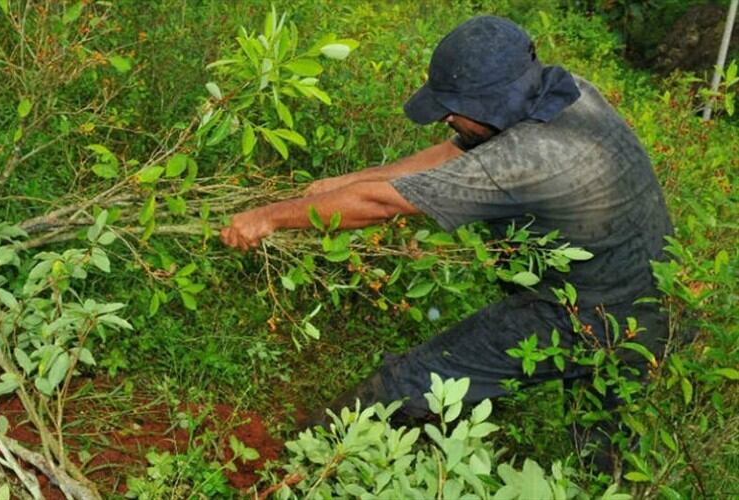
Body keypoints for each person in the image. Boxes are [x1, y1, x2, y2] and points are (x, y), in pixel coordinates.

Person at [219, 16, 672, 469]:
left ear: (494, 103)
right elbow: (457, 151)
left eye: (454, 108)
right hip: (646, 302)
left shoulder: (529, 159)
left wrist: (268, 218)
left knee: (411, 382)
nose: (446, 118)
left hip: (587, 313)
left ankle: (297, 462)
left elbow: (381, 205)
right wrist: (351, 180)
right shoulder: (563, 93)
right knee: (607, 456)